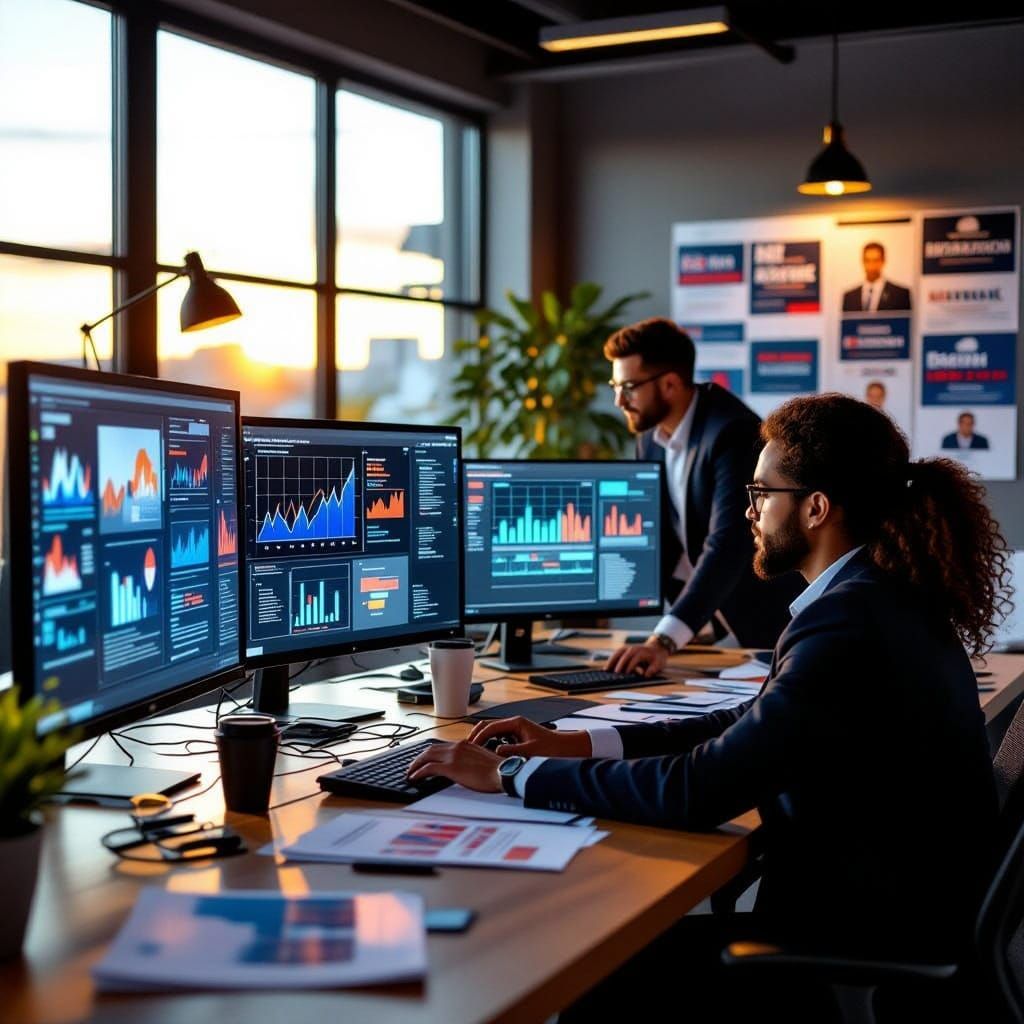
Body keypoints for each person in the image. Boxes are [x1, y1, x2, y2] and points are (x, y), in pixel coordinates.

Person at [408, 394, 1005, 1018]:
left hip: (863, 929)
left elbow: (700, 789)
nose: (748, 511)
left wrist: (510, 774)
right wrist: (579, 742)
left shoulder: (848, 620)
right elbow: (752, 722)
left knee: (588, 969)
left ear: (816, 508)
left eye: (761, 493)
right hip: (900, 904)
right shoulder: (874, 597)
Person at [599, 318, 797, 677]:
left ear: (671, 383)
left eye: (628, 387)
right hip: (709, 631)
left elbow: (728, 542)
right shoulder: (649, 436)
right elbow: (662, 536)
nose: (618, 400)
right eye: (615, 385)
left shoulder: (730, 432)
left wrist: (664, 639)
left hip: (765, 628)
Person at [842, 242, 912, 312]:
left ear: (883, 261)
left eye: (876, 260)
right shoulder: (849, 297)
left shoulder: (900, 295)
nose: (871, 266)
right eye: (867, 260)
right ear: (863, 262)